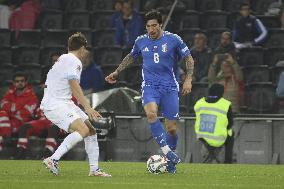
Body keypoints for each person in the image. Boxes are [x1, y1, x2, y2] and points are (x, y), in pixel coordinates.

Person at [105, 10, 194, 173]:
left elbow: (189, 58)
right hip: (150, 86)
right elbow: (131, 56)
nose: (151, 29)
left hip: (169, 87)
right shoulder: (141, 41)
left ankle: (169, 161)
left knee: (172, 128)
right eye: (148, 26)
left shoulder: (174, 39)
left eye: (154, 26)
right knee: (151, 114)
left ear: (160, 25)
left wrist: (188, 79)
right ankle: (168, 153)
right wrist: (117, 71)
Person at [40, 33, 111, 177]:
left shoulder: (64, 59)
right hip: (56, 104)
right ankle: (53, 159)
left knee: (91, 131)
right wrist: (88, 108)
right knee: (83, 130)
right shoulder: (74, 61)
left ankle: (94, 169)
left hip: (64, 102)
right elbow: (74, 85)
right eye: (85, 49)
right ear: (83, 48)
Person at [194, 83, 234, 163]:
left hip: (202, 136)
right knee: (231, 133)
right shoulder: (225, 104)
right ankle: (228, 161)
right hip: (217, 138)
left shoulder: (199, 103)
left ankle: (210, 156)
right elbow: (230, 123)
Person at [0, 72, 38, 151]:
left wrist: (12, 109)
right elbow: (3, 106)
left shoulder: (32, 95)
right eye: (17, 81)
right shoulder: (9, 93)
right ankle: (6, 138)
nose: (20, 83)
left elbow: (26, 113)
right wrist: (18, 108)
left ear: (26, 82)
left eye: (22, 81)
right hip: (9, 122)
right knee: (2, 113)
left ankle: (6, 139)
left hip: (23, 124)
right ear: (14, 83)